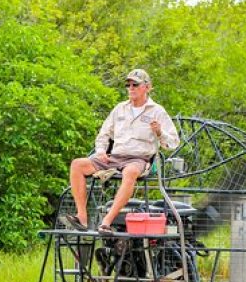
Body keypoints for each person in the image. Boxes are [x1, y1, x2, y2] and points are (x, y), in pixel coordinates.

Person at [66, 69, 180, 233]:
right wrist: (100, 151)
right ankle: (82, 218)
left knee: (131, 171)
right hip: (115, 157)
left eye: (135, 84)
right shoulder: (120, 108)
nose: (131, 88)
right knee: (77, 165)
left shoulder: (157, 111)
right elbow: (103, 134)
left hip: (138, 159)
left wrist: (160, 132)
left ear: (147, 87)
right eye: (128, 85)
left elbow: (173, 143)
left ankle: (106, 222)